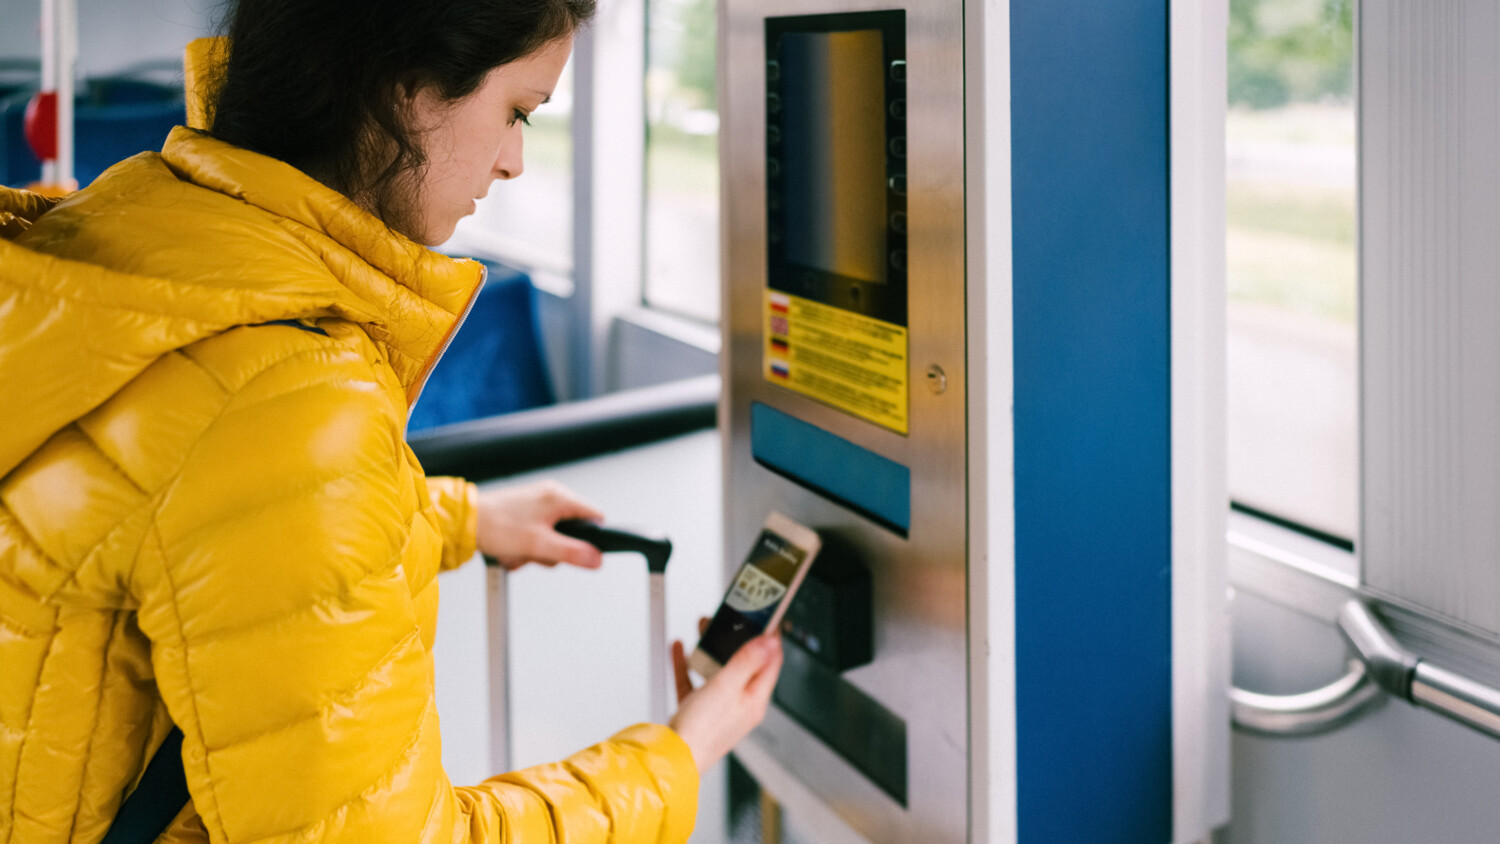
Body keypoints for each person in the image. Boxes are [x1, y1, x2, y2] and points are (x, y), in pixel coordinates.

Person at [0, 0, 783, 841]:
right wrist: (675, 757)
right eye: (516, 111)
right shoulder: (288, 393)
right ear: (404, 89)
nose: (514, 160)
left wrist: (460, 517)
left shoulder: (122, 251)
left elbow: (192, 507)